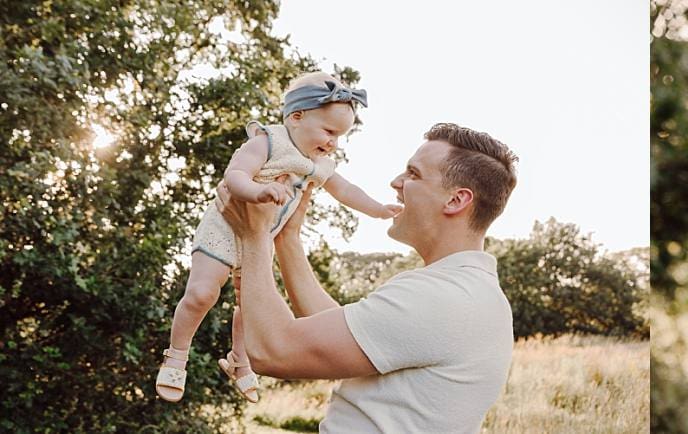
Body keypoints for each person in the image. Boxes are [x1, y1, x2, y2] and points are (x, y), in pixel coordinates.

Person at [218, 123, 520, 432]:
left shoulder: (442, 297)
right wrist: (287, 239)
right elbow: (345, 333)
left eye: (413, 174)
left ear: (456, 200)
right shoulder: (467, 291)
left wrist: (253, 235)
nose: (396, 182)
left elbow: (273, 351)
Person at [155, 72, 397, 403]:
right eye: (329, 132)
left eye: (340, 137)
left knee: (249, 306)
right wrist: (258, 190)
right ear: (296, 117)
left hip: (260, 237)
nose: (332, 144)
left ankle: (241, 361)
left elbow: (346, 189)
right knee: (201, 294)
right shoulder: (267, 141)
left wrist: (376, 210)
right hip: (224, 228)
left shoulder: (317, 163)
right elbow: (234, 176)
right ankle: (176, 355)